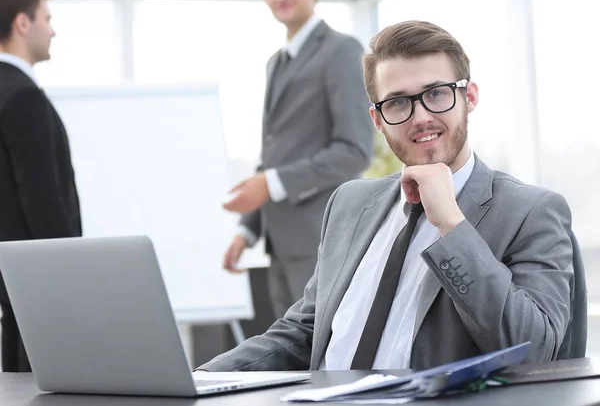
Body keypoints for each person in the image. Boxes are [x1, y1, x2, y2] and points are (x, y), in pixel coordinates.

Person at [198, 20, 577, 371]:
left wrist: (452, 226)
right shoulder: (350, 203)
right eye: (397, 102)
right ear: (377, 119)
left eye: (437, 93)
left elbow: (536, 349)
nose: (421, 116)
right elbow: (305, 331)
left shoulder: (530, 212)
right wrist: (200, 380)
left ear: (470, 97)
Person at [221, 0, 374, 319]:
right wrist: (246, 231)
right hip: (280, 245)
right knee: (291, 360)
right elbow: (272, 156)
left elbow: (354, 151)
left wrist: (271, 184)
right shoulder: (275, 62)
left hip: (321, 242)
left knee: (323, 357)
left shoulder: (342, 51)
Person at [0, 0, 82, 372]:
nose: (52, 30)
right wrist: (71, 274)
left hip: (12, 279)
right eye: (46, 19)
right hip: (43, 284)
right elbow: (42, 199)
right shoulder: (23, 96)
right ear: (22, 23)